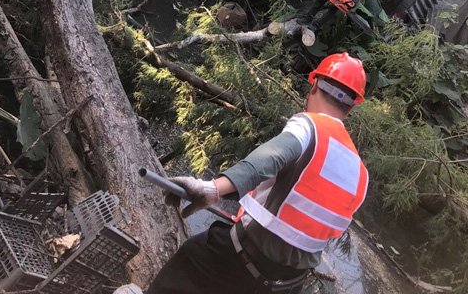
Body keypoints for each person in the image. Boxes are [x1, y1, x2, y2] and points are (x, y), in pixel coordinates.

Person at [148, 53, 369, 294]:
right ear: (351, 107)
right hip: (288, 284)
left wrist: (212, 189)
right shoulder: (361, 174)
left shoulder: (309, 126)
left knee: (188, 261)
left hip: (244, 259)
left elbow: (269, 159)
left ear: (314, 85)